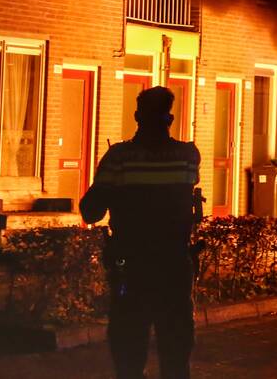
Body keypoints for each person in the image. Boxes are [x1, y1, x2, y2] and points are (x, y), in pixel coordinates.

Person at [80, 86, 201, 379]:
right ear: (169, 119)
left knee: (129, 351)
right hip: (174, 265)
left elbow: (90, 211)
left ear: (137, 116)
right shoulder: (187, 156)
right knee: (175, 351)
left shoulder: (119, 158)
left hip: (132, 268)